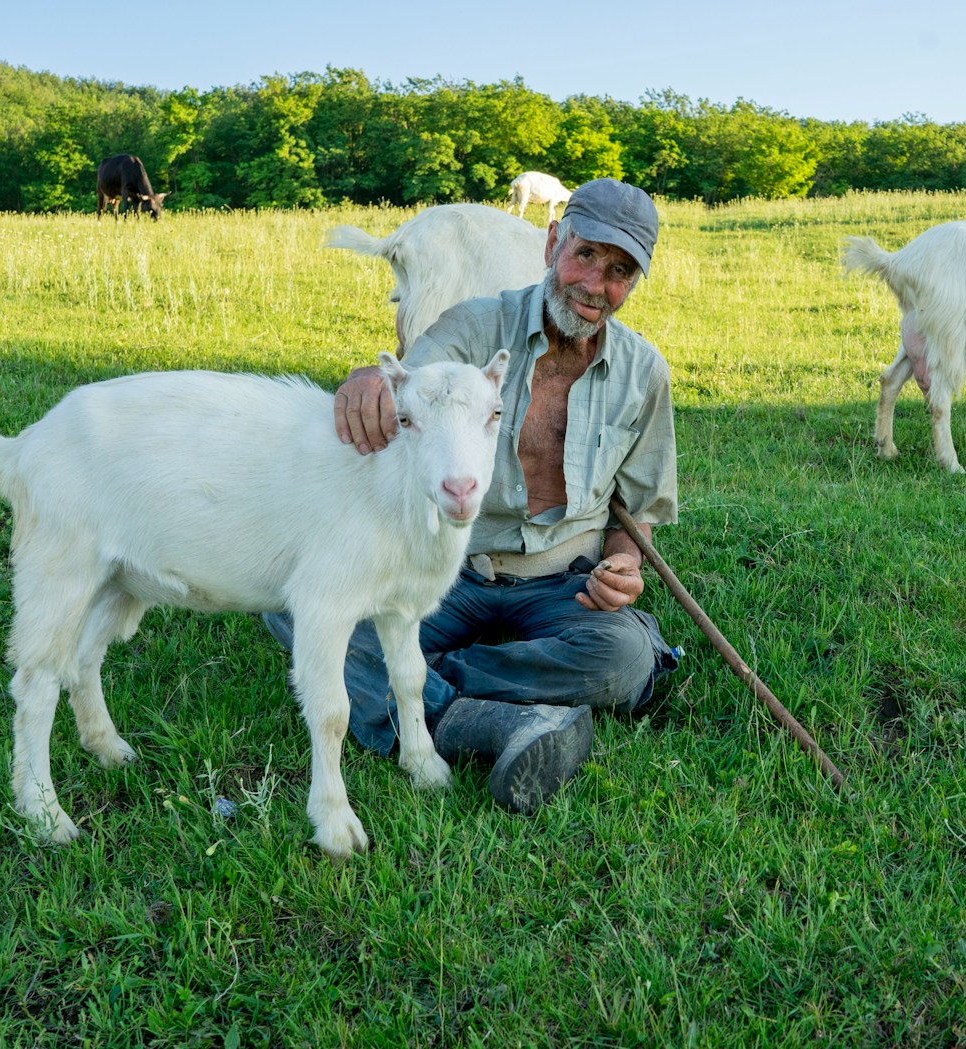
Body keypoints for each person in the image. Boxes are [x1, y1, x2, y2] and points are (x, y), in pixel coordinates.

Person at [265, 178, 679, 815]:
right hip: (444, 573)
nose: (596, 284)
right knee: (292, 606)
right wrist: (367, 380)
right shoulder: (474, 326)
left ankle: (421, 686)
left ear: (635, 282)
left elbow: (641, 511)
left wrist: (625, 565)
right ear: (552, 242)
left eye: (620, 270)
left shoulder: (643, 373)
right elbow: (406, 379)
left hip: (560, 583)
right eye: (586, 255)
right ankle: (480, 717)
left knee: (623, 659)